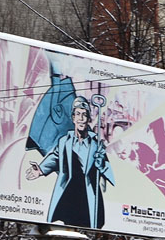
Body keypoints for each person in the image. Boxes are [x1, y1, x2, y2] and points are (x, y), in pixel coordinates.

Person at [28, 97, 115, 230]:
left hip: (87, 194)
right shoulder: (65, 141)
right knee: (60, 222)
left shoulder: (96, 144)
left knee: (90, 224)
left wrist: (101, 163)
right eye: (78, 114)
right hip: (67, 195)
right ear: (73, 118)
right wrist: (40, 170)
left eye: (84, 115)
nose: (81, 118)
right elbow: (55, 157)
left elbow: (108, 171)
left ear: (88, 119)